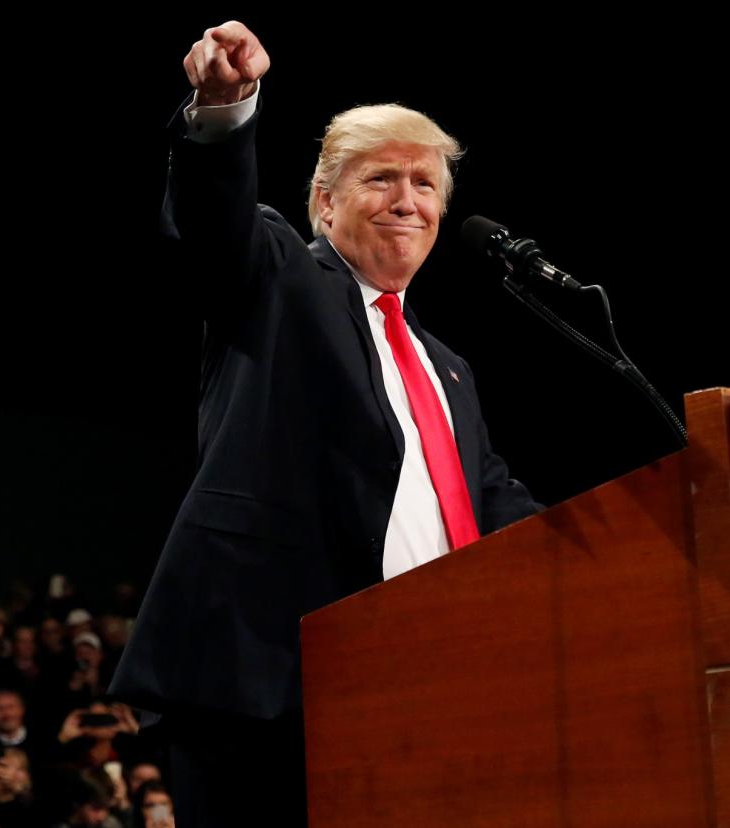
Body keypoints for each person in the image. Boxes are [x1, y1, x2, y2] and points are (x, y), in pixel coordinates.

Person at [108, 20, 540, 827]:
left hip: (425, 695)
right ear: (323, 200)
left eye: (423, 184)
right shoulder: (280, 277)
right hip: (272, 683)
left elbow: (495, 509)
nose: (406, 201)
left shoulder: (448, 369)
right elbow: (214, 222)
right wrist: (222, 108)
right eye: (380, 179)